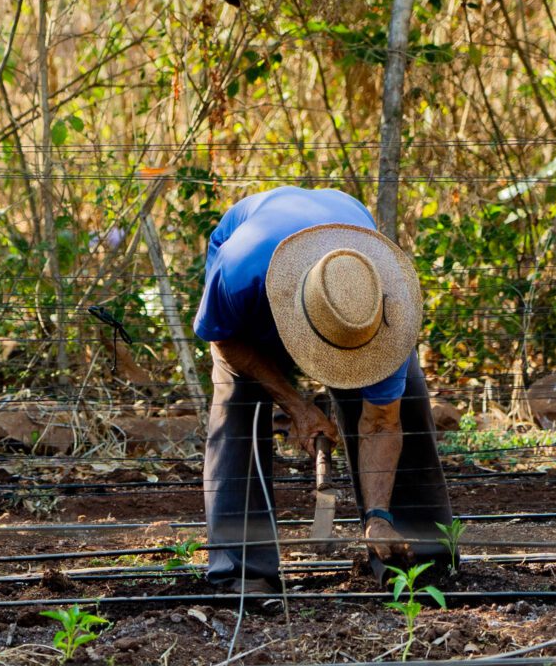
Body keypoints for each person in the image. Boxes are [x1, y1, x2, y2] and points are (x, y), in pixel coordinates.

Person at [193, 185, 455, 595]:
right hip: (258, 293)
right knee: (239, 406)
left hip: (346, 265)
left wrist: (378, 514)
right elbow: (224, 341)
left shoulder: (385, 306)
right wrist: (297, 407)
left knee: (406, 403)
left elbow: (382, 425)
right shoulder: (240, 270)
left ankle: (413, 557)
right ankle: (242, 571)